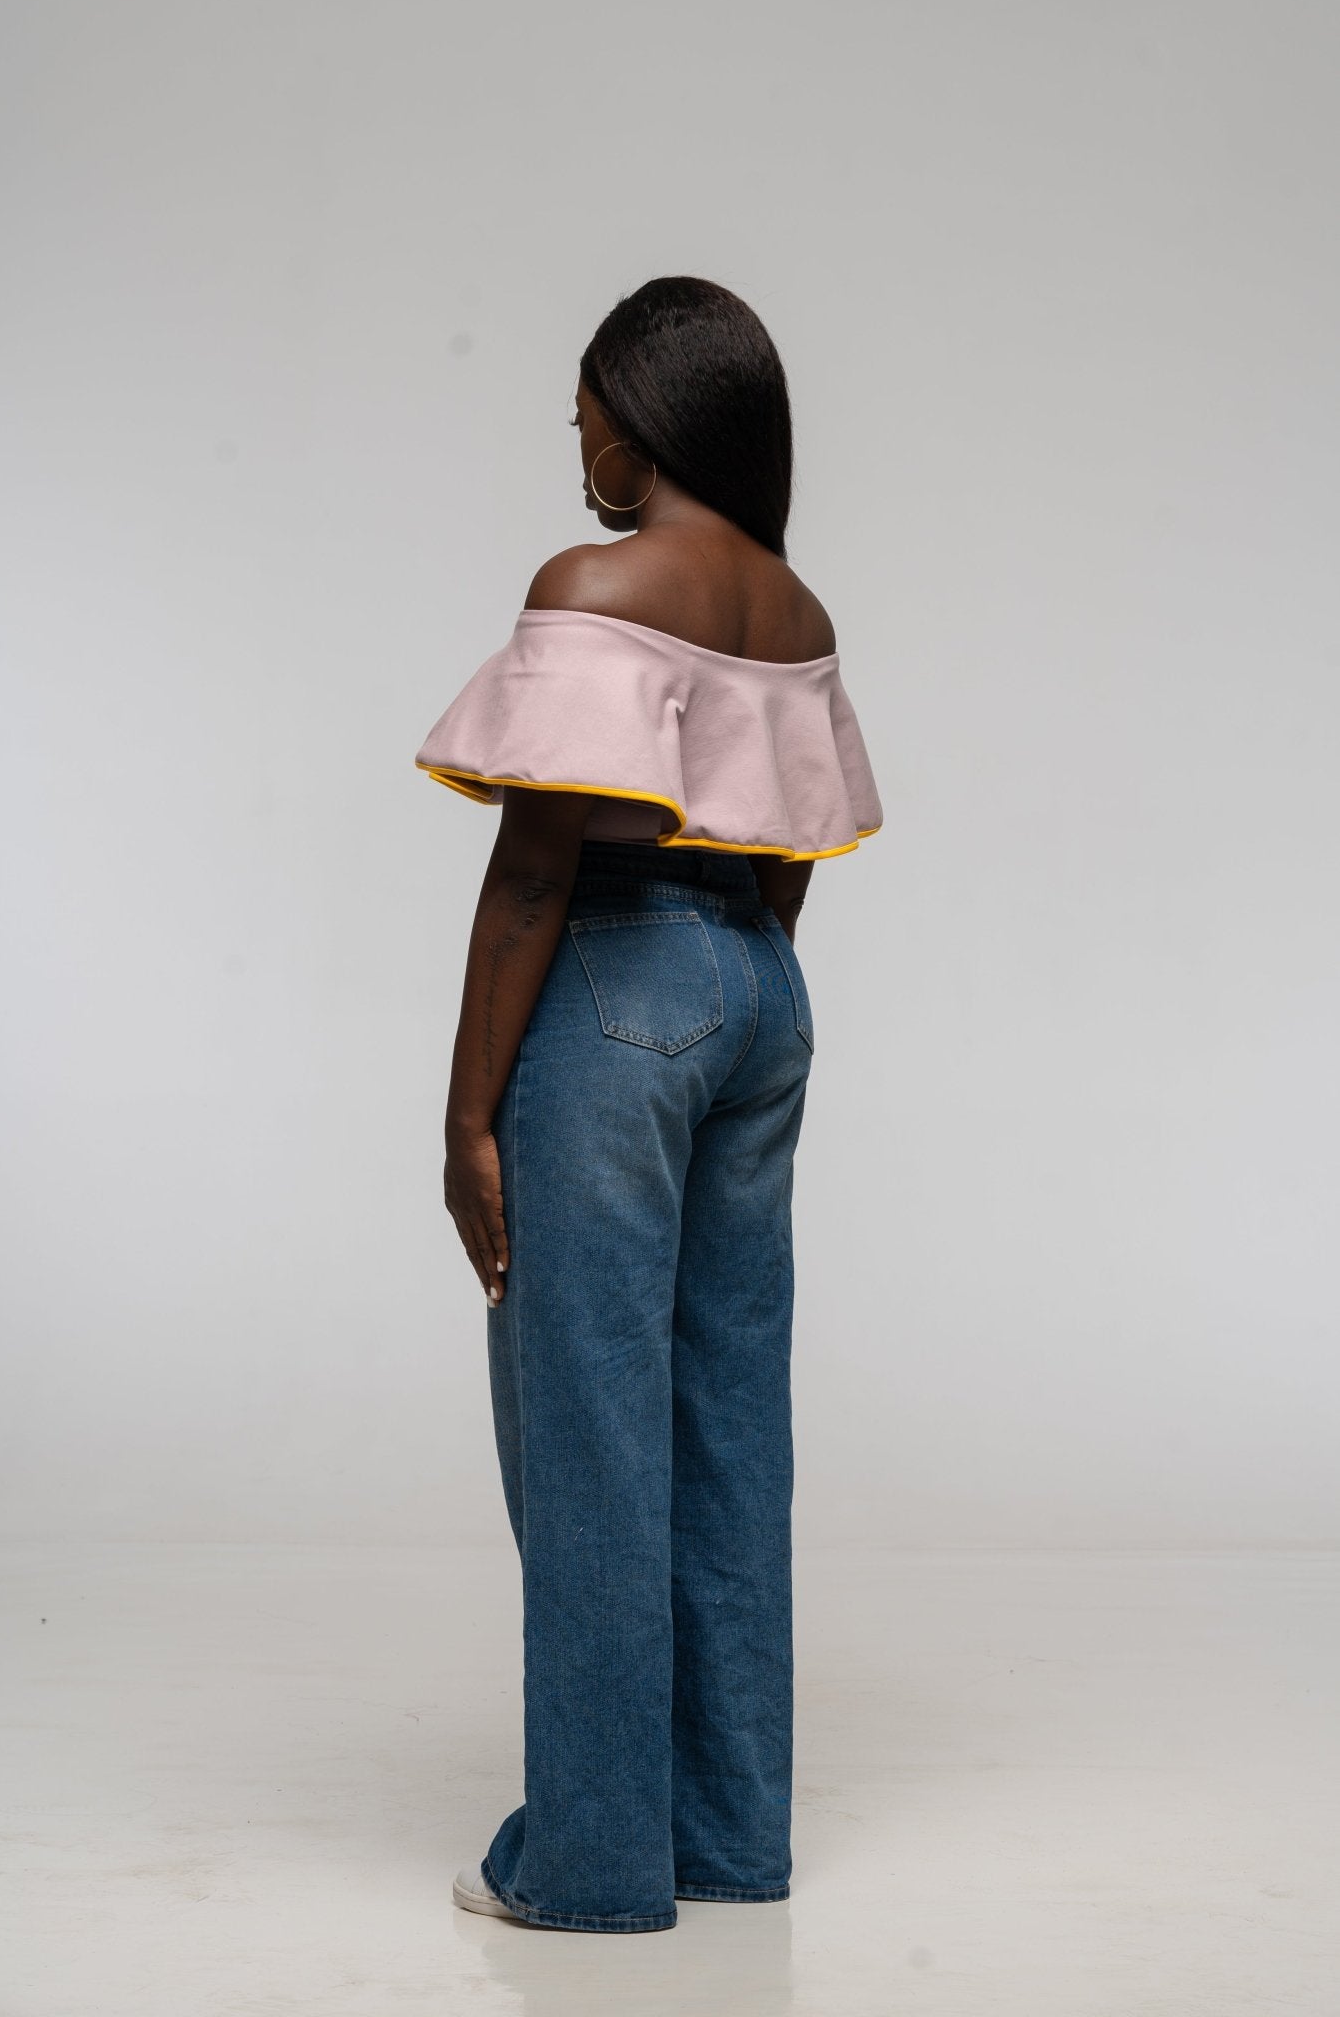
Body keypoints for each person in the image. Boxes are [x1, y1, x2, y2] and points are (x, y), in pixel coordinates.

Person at [415, 276, 883, 1933]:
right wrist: (725, 991)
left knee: (591, 1428)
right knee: (726, 1421)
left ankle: (594, 1864)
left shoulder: (594, 586)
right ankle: (727, 1837)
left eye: (587, 408)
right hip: (759, 992)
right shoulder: (794, 606)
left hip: (611, 984)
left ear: (646, 415)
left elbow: (534, 870)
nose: (577, 438)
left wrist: (468, 1122)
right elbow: (790, 850)